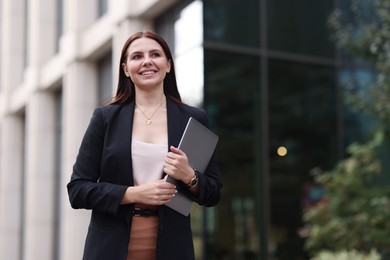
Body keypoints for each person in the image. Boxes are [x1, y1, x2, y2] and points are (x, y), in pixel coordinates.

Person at [67, 30, 222, 260]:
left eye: (155, 54)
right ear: (126, 69)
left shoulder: (193, 119)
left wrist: (189, 175)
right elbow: (77, 190)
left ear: (168, 65)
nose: (147, 61)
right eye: (137, 56)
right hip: (111, 244)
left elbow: (213, 193)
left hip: (172, 245)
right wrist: (134, 194)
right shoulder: (105, 118)